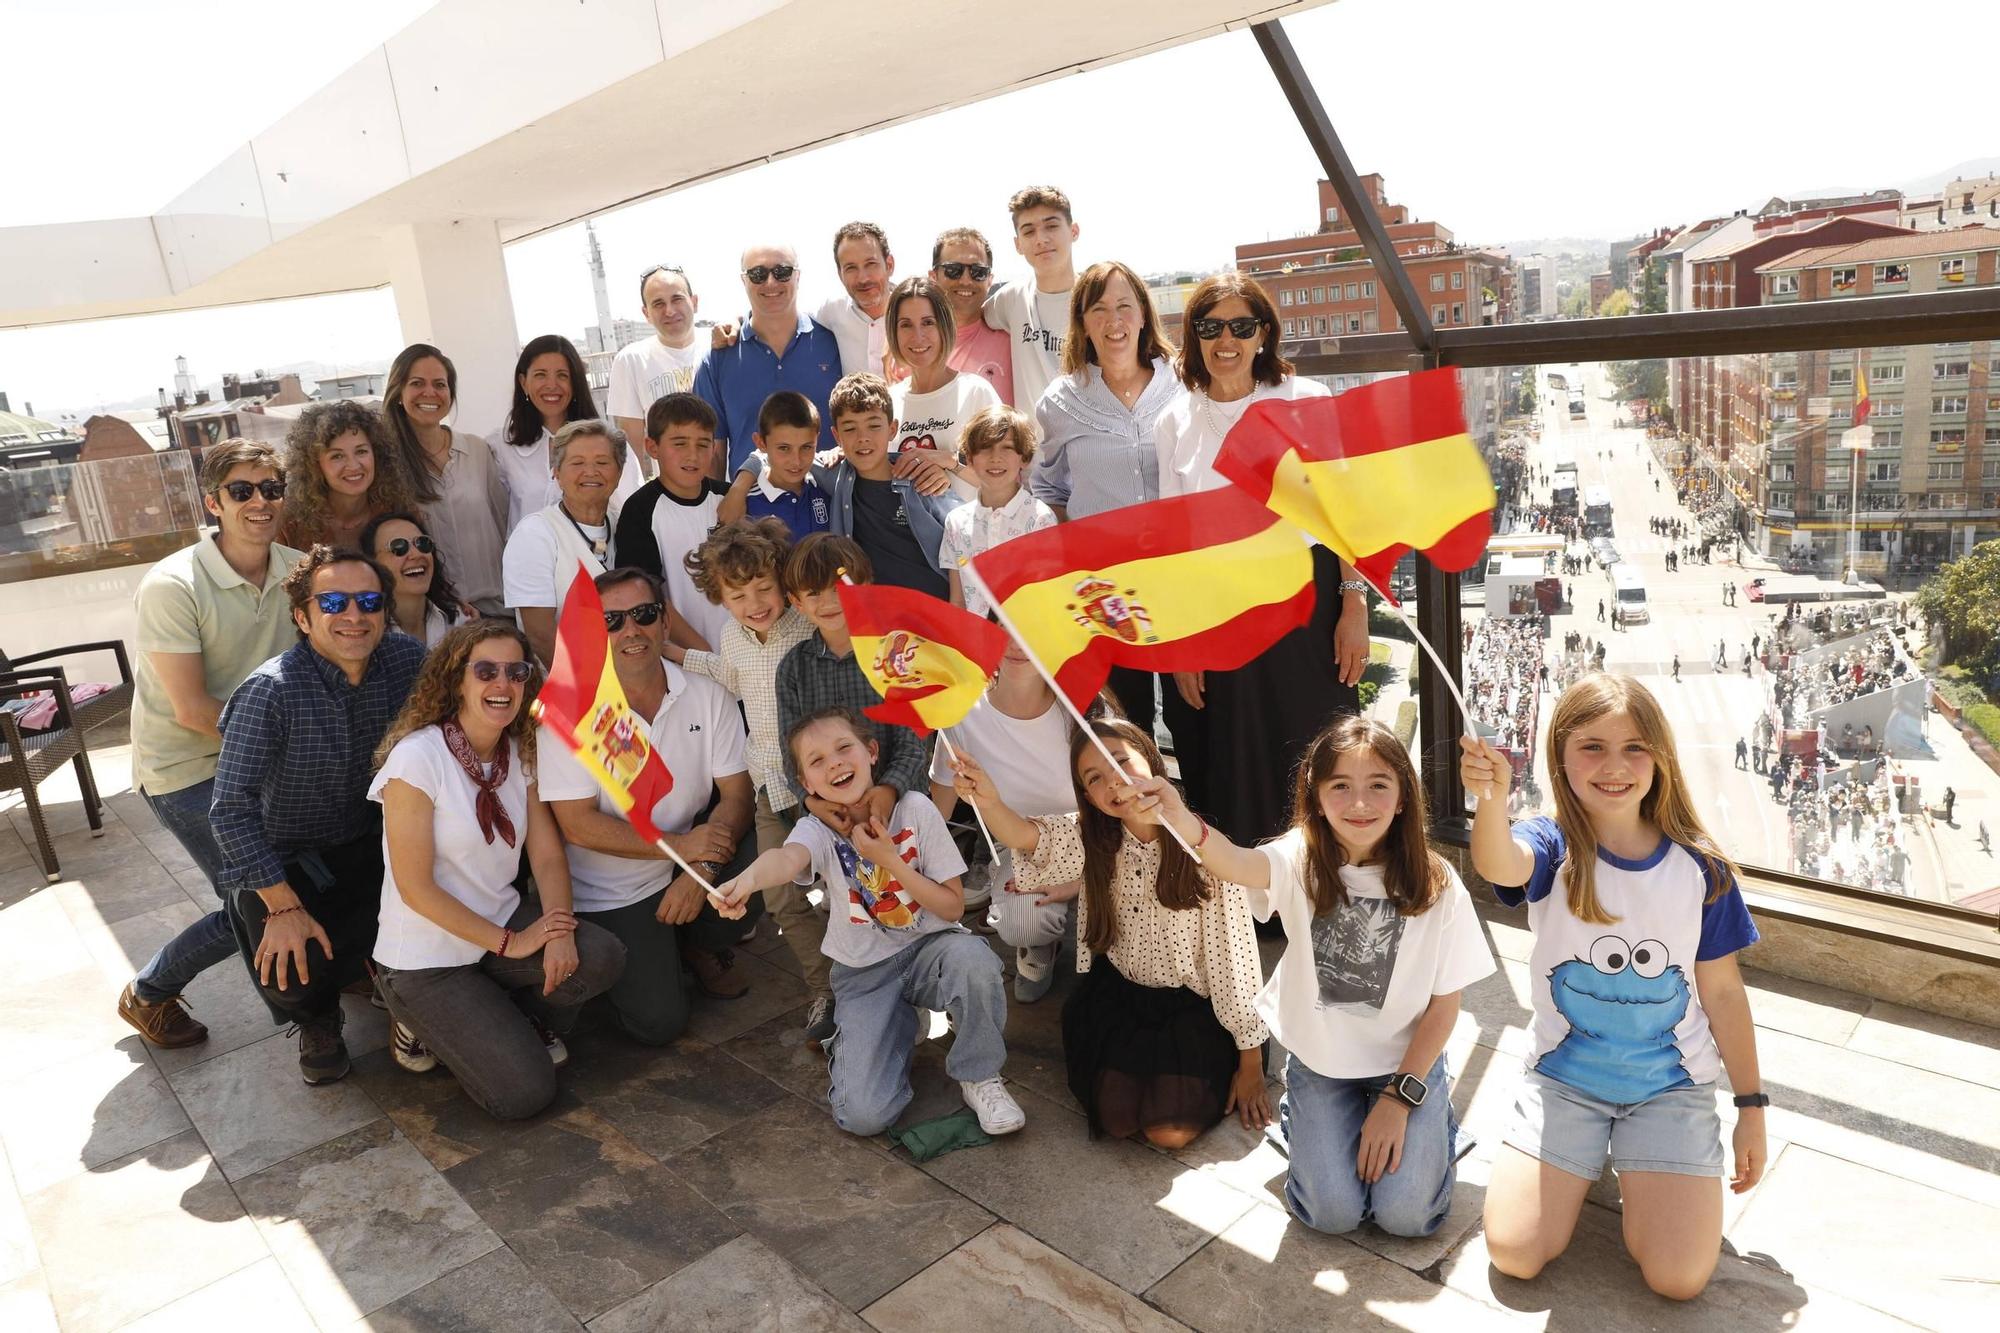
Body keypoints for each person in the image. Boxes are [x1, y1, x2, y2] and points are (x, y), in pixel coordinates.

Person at [1461, 674, 1766, 1301]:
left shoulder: (1702, 872)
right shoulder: (1552, 844)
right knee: (1514, 1252)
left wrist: (1751, 1108)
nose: (1615, 766)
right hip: (1564, 1083)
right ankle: (1595, 1159)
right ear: (1561, 756)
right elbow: (1499, 865)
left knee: (1677, 1278)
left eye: (1634, 747)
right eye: (1592, 747)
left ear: (1660, 754)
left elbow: (1724, 995)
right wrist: (1491, 800)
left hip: (1669, 1091)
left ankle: (1635, 1162)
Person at [1149, 717, 1493, 1237]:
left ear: (1403, 797)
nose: (1360, 804)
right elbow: (1235, 862)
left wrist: (1400, 1100)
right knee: (1331, 1215)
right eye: (1341, 786)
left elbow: (1446, 1006)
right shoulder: (1300, 855)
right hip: (1322, 1064)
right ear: (1316, 794)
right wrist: (1179, 817)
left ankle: (1432, 1122)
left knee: (1409, 1218)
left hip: (1405, 1066)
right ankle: (1306, 1118)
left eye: (1378, 785)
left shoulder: (1438, 884)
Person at [954, 717, 1269, 1147]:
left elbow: (1234, 962)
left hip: (1195, 1008)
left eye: (1121, 761)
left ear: (1153, 761)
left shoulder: (1205, 851)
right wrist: (988, 800)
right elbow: (1032, 838)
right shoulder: (1094, 837)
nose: (1113, 782)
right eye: (1094, 777)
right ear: (1087, 795)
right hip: (1120, 997)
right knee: (1118, 1120)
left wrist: (1250, 1063)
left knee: (1169, 1133)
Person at [712, 706, 1023, 1137]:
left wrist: (891, 862)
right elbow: (786, 859)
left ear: (872, 752)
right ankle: (894, 1023)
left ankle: (980, 1075)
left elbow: (952, 908)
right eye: (817, 761)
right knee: (862, 1117)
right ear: (807, 784)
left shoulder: (915, 809)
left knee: (974, 960)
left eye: (844, 748)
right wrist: (745, 881)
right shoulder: (815, 829)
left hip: (932, 950)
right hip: (864, 972)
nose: (835, 762)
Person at [369, 623, 627, 1114]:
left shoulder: (518, 751)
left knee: (599, 956)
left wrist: (559, 929)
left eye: (516, 672)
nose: (502, 684)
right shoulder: (417, 759)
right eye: (485, 670)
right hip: (428, 960)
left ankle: (501, 1013)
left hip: (498, 929)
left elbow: (547, 856)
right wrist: (516, 943)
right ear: (456, 680)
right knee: (523, 1094)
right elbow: (415, 888)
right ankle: (417, 1020)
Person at [1154, 271, 1367, 842]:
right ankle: (1254, 903)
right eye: (1210, 327)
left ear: (1264, 334)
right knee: (1236, 754)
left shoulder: (1306, 401)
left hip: (1306, 602)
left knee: (1319, 746)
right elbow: (1176, 543)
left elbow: (1344, 515)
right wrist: (1183, 641)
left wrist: (1354, 605)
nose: (1227, 341)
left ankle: (1329, 881)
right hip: (1219, 606)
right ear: (1194, 336)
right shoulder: (1174, 421)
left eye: (1241, 326)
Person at [210, 545, 427, 1083]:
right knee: (289, 964)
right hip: (292, 861)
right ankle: (316, 1019)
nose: (353, 616)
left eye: (369, 601)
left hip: (375, 843)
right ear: (304, 617)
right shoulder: (270, 692)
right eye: (333, 602)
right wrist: (282, 907)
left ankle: (394, 982)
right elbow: (230, 810)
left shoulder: (406, 660)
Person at [118, 441, 307, 1049]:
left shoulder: (303, 573)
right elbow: (193, 709)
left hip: (266, 757)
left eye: (271, 488)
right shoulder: (172, 584)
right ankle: (149, 991)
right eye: (242, 490)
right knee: (256, 900)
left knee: (306, 881)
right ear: (213, 502)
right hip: (186, 766)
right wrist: (296, 746)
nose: (260, 502)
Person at [538, 567, 762, 1036]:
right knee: (658, 1024)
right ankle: (661, 949)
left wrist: (700, 872)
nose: (630, 630)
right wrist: (682, 848)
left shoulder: (707, 693)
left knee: (768, 850)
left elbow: (738, 795)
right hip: (615, 888)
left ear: (664, 621)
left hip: (692, 857)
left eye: (642, 614)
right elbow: (577, 825)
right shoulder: (571, 710)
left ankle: (699, 941)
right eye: (612, 621)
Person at [672, 519, 831, 1042]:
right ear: (720, 598)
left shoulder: (808, 627)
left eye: (764, 588)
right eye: (738, 595)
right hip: (768, 785)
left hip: (821, 786)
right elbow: (730, 674)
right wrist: (673, 653)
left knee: (849, 888)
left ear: (784, 582)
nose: (755, 602)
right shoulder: (730, 637)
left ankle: (875, 978)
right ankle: (825, 990)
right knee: (781, 898)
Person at [1031, 259, 1180, 732]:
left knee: (1193, 711)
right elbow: (1047, 486)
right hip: (1106, 588)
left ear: (1143, 315)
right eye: (1099, 309)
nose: (1113, 321)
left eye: (1124, 306)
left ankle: (1195, 808)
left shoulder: (1186, 382)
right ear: (1082, 322)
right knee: (1124, 721)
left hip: (1181, 578)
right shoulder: (1059, 401)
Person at [929, 632, 1079, 1003]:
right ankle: (1039, 945)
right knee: (1022, 920)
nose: (1017, 643)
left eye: (1028, 629)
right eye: (1004, 630)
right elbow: (937, 815)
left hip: (1095, 842)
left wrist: (1084, 880)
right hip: (1020, 847)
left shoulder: (1084, 707)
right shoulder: (962, 713)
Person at [727, 374, 962, 598]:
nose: (862, 438)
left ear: (892, 429)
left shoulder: (919, 475)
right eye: (850, 429)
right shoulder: (834, 473)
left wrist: (953, 462)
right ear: (836, 435)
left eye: (873, 426)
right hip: (875, 618)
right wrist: (739, 486)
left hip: (937, 608)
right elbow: (769, 451)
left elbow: (964, 533)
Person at [773, 535, 933, 837]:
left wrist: (888, 788)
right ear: (796, 601)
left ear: (865, 587)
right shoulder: (793, 669)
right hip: (834, 815)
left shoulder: (895, 652)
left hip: (903, 805)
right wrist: (810, 802)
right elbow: (790, 750)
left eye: (840, 589)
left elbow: (915, 739)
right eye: (814, 593)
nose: (829, 602)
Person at [379, 343, 511, 615]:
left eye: (440, 384)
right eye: (417, 383)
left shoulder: (477, 450)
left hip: (500, 610)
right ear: (398, 392)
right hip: (436, 617)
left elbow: (504, 525)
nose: (430, 392)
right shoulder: (385, 464)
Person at [695, 244, 843, 472]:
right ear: (744, 281)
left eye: (782, 271)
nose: (771, 282)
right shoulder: (717, 360)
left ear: (798, 276)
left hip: (831, 503)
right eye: (758, 274)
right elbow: (711, 453)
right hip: (750, 505)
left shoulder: (835, 344)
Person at [612, 393, 733, 654]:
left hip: (746, 657)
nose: (693, 455)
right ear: (652, 447)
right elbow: (646, 593)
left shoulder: (729, 498)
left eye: (703, 444)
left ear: (714, 447)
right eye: (679, 443)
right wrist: (701, 652)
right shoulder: (639, 510)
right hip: (687, 659)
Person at [502, 420, 629, 667]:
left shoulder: (625, 524)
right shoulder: (534, 534)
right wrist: (586, 691)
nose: (590, 472)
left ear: (619, 472)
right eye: (577, 463)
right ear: (556, 472)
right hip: (570, 689)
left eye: (602, 462)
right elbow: (540, 637)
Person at [488, 335, 644, 534]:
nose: (552, 385)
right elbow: (497, 518)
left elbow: (629, 509)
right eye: (540, 375)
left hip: (599, 559)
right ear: (523, 382)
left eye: (562, 375)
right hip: (532, 559)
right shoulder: (500, 447)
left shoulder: (609, 442)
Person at [887, 276, 1002, 500]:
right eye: (906, 325)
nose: (917, 336)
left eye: (928, 322)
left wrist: (951, 462)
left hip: (973, 532)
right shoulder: (888, 402)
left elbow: (1004, 482)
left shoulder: (976, 392)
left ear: (944, 326)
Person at [935, 405, 1056, 615]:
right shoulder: (955, 522)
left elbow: (1047, 597)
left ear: (1024, 458)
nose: (995, 457)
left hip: (1024, 644)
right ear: (970, 459)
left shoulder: (1040, 519)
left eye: (1007, 447)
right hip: (975, 643)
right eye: (985, 448)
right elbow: (958, 600)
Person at [985, 185, 1081, 413]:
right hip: (1031, 448)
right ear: (1018, 244)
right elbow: (964, 322)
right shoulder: (1011, 299)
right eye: (1029, 231)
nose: (1041, 239)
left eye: (1051, 226)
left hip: (1091, 444)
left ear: (1074, 231)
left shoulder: (1098, 298)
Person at [277, 401, 416, 551]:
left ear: (376, 454)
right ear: (314, 464)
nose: (354, 466)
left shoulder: (400, 510)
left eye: (361, 451)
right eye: (337, 456)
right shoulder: (291, 525)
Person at [609, 265, 707, 450]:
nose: (669, 311)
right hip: (670, 478)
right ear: (646, 313)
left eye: (677, 299)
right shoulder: (631, 361)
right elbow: (631, 446)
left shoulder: (721, 346)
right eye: (658, 303)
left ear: (694, 302)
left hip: (733, 477)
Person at [931, 227, 1013, 405]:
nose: (966, 280)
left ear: (990, 280)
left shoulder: (1015, 337)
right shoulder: (913, 345)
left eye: (978, 271)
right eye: (953, 270)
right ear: (933, 277)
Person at [364, 511, 464, 648]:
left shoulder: (460, 620)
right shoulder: (366, 634)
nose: (416, 554)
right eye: (399, 547)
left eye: (423, 543)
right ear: (372, 563)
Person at [817, 222, 898, 378]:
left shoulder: (915, 312)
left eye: (871, 264)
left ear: (889, 265)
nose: (863, 278)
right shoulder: (831, 312)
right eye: (851, 268)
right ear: (840, 274)